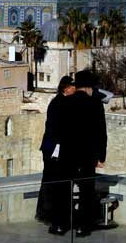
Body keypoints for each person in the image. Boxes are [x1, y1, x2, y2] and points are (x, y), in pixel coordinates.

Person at [61, 70, 108, 237]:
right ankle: (82, 226)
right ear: (89, 86)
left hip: (68, 153)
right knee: (86, 191)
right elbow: (101, 132)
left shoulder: (67, 103)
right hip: (88, 154)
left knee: (66, 188)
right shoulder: (95, 104)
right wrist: (101, 156)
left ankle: (62, 224)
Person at [36, 76, 76, 235]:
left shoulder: (60, 103)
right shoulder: (60, 104)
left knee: (59, 187)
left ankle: (59, 220)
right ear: (66, 88)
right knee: (58, 187)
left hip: (57, 152)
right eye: (73, 87)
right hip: (55, 153)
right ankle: (57, 221)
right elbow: (57, 130)